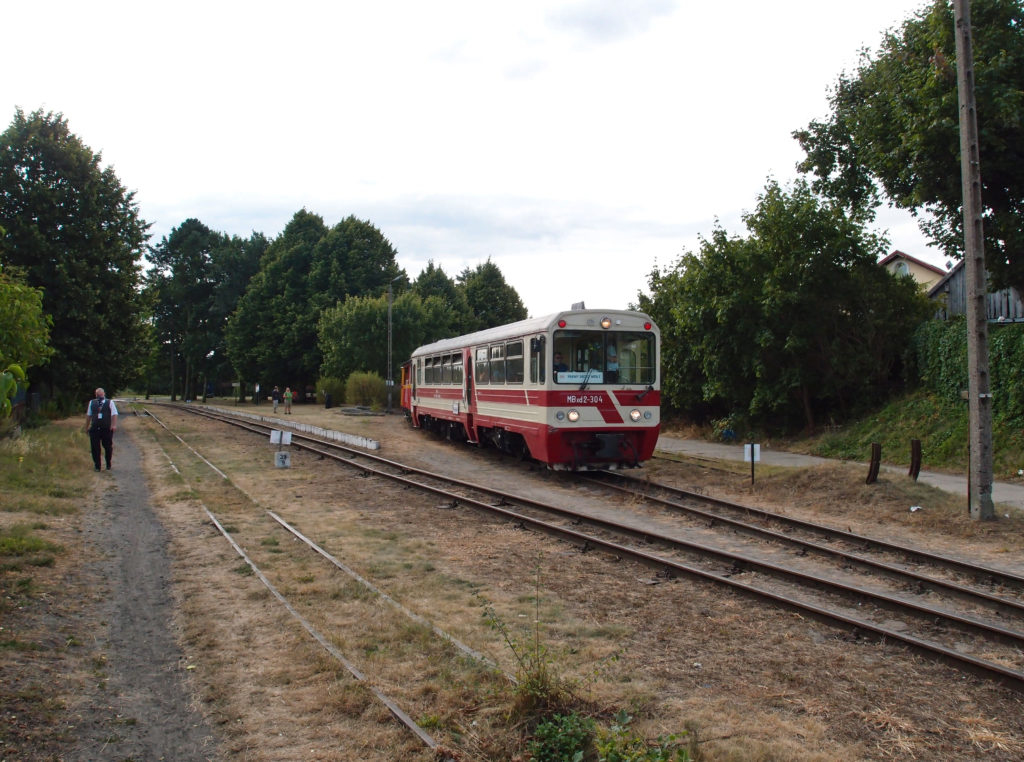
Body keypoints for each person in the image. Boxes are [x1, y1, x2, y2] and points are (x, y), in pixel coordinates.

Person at [85, 388, 118, 471]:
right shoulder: (92, 403)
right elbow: (89, 415)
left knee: (107, 446)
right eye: (97, 394)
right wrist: (87, 426)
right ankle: (97, 466)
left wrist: (113, 425)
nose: (99, 396)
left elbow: (114, 414)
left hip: (106, 428)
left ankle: (108, 463)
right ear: (95, 395)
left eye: (101, 394)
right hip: (95, 428)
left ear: (104, 394)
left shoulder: (110, 402)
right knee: (95, 447)